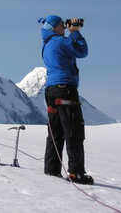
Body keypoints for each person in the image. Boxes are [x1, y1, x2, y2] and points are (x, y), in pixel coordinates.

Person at [38, 15, 93, 185]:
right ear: (54, 27)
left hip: (52, 91)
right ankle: (76, 173)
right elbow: (82, 51)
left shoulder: (47, 44)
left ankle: (51, 169)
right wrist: (75, 32)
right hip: (66, 90)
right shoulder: (60, 42)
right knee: (73, 130)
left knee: (55, 132)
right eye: (63, 25)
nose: (65, 27)